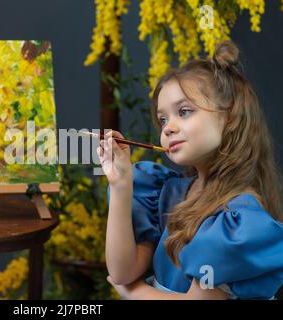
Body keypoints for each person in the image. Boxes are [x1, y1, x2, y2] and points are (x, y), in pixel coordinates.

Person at [98, 40, 283, 299]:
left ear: (230, 117)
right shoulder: (168, 194)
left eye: (184, 112)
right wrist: (120, 184)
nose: (168, 128)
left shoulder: (237, 220)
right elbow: (122, 271)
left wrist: (135, 292)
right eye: (163, 119)